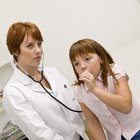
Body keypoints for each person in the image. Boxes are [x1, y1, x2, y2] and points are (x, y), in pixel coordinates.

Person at [2, 22, 91, 140]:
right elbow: (40, 134)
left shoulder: (52, 73)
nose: (38, 50)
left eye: (39, 44)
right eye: (30, 46)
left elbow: (75, 103)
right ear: (15, 51)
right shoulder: (13, 92)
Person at [69, 38, 140, 140]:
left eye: (87, 59)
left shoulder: (115, 70)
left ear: (101, 58)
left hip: (137, 129)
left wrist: (94, 89)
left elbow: (126, 106)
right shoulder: (78, 90)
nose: (82, 66)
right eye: (76, 63)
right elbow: (93, 123)